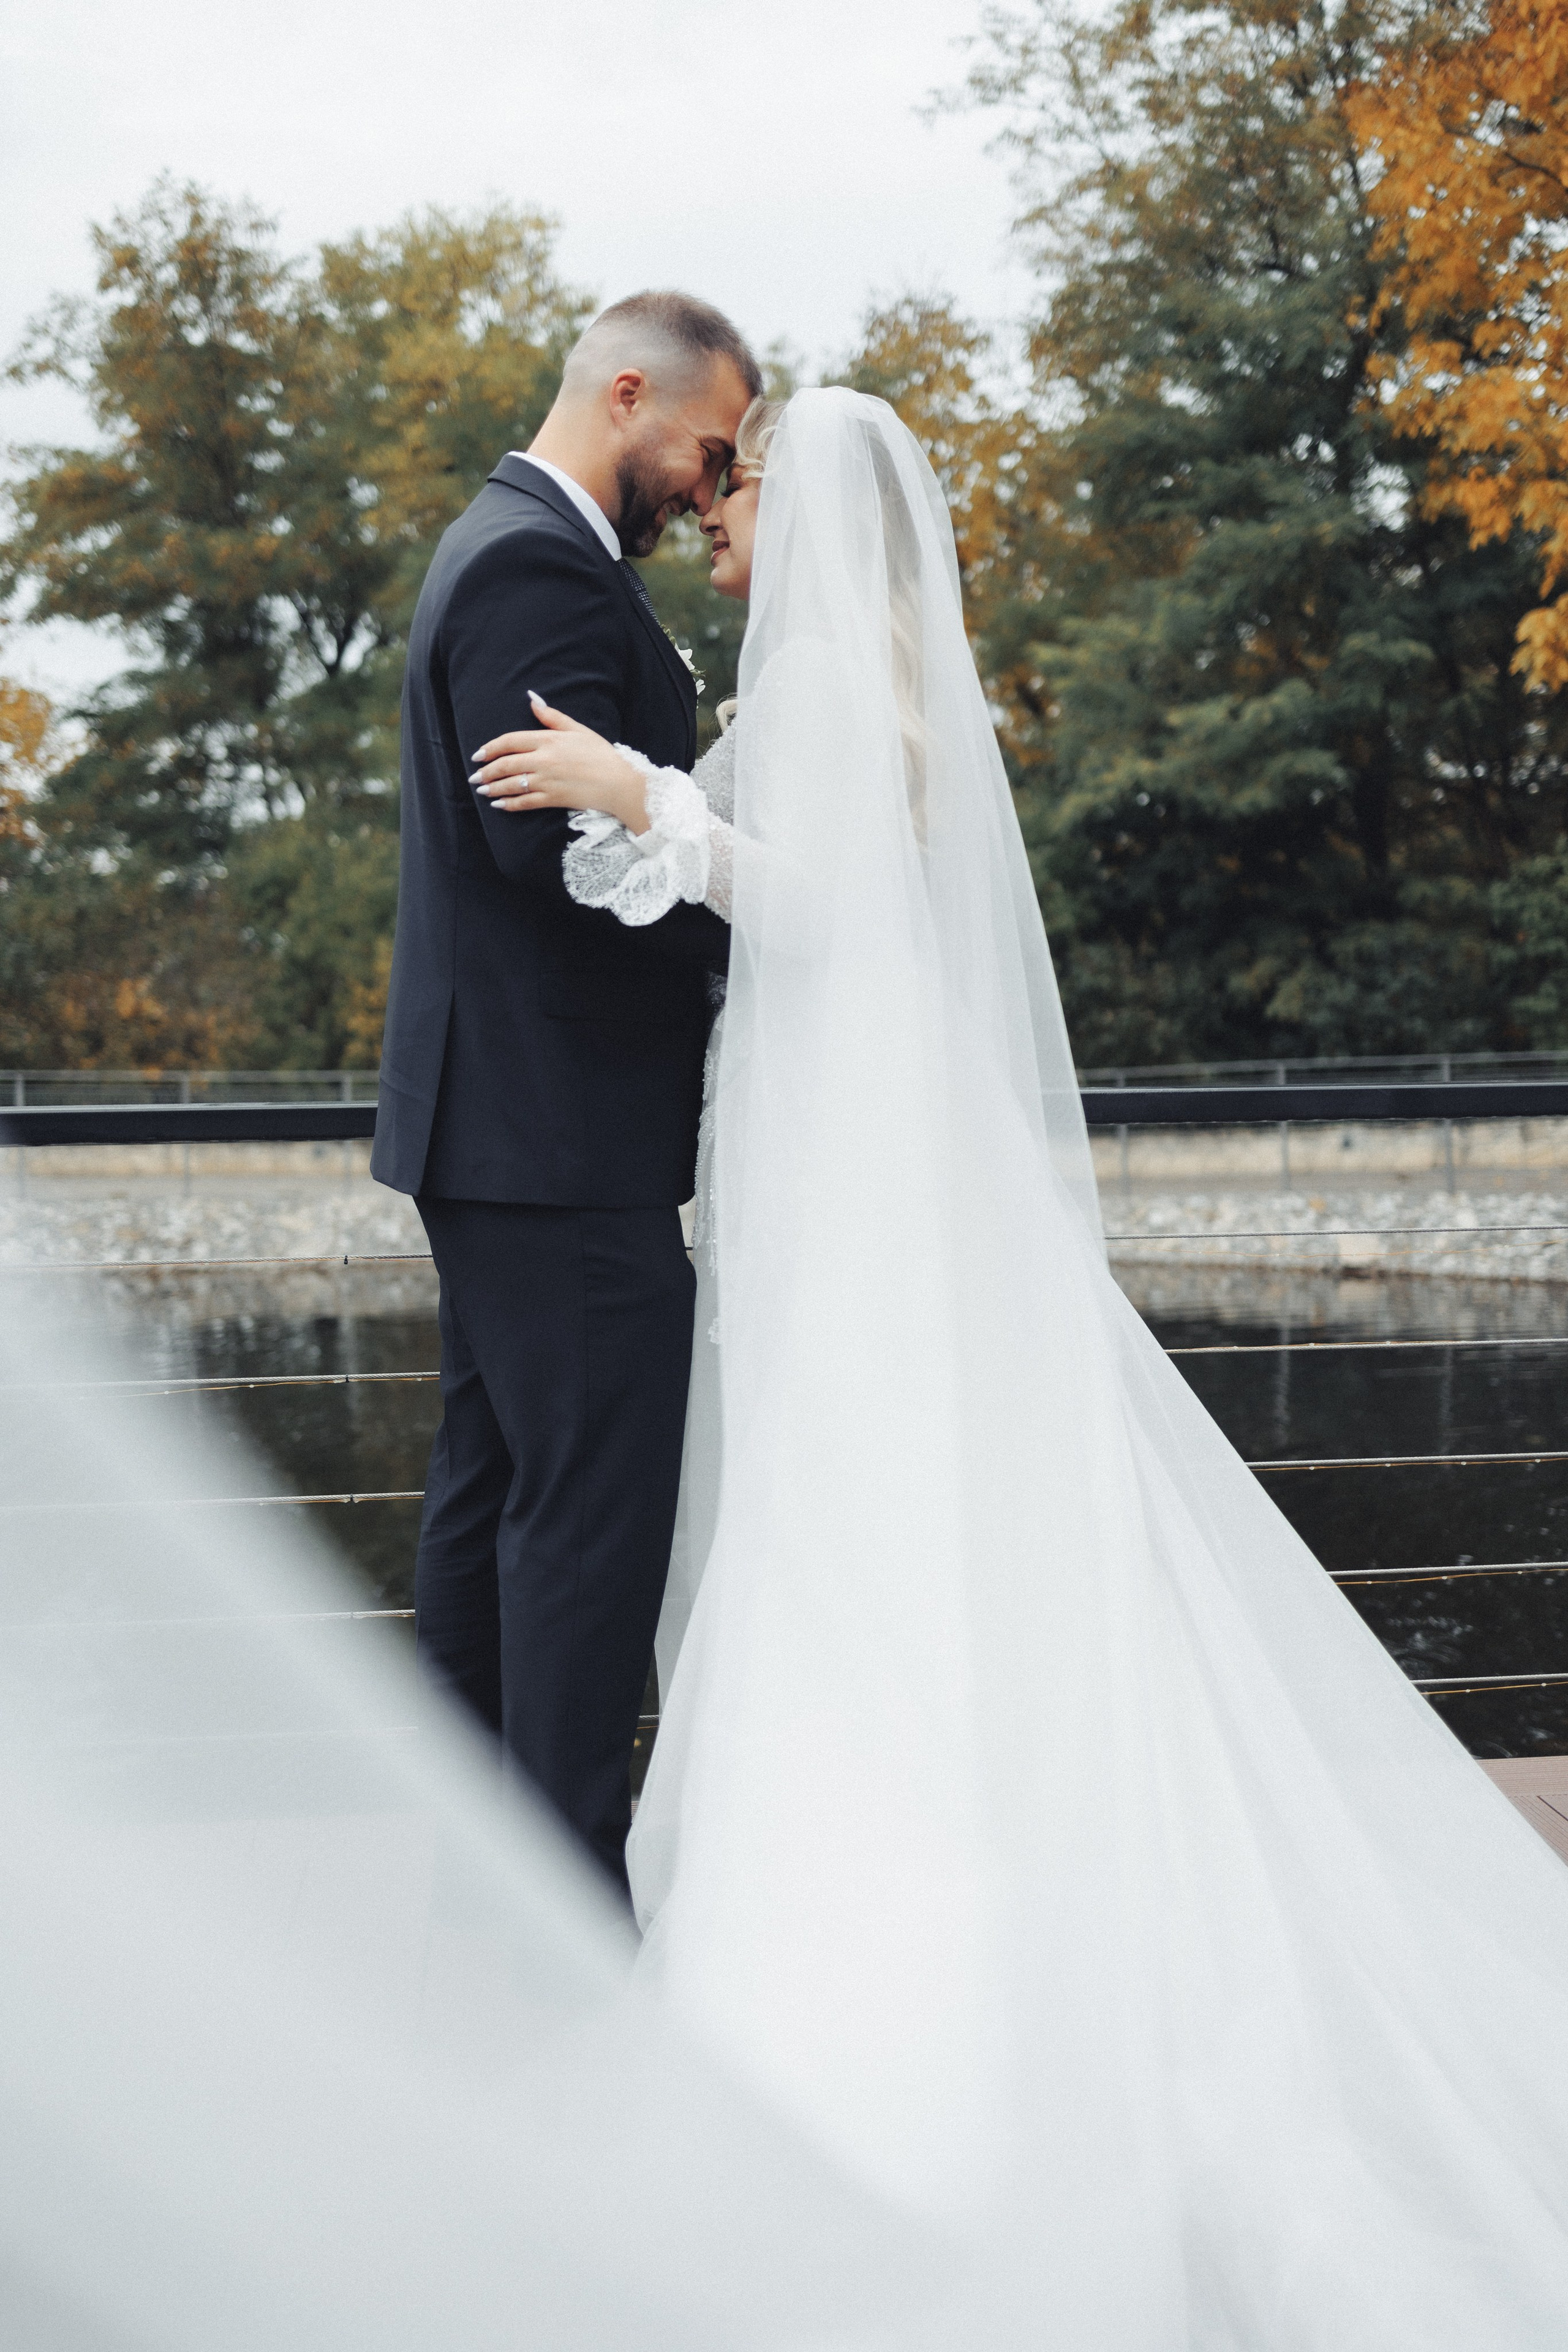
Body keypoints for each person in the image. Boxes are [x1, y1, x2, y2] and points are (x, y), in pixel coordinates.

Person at [471, 387, 1568, 2342]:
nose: (716, 526)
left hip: (855, 1153)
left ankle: (858, 2016)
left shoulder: (814, 674)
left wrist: (646, 800)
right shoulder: (878, 683)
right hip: (865, 1134)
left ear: (802, 522)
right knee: (905, 1509)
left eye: (739, 499)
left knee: (852, 1515)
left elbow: (818, 906)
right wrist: (664, 808)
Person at [370, 292, 758, 1896]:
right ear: (626, 393)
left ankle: (485, 1879)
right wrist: (678, 809)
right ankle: (567, 1905)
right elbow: (547, 852)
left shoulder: (514, 540)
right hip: (557, 1137)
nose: (713, 482)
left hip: (509, 1129)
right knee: (584, 1530)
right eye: (709, 444)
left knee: (495, 1503)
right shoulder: (536, 563)